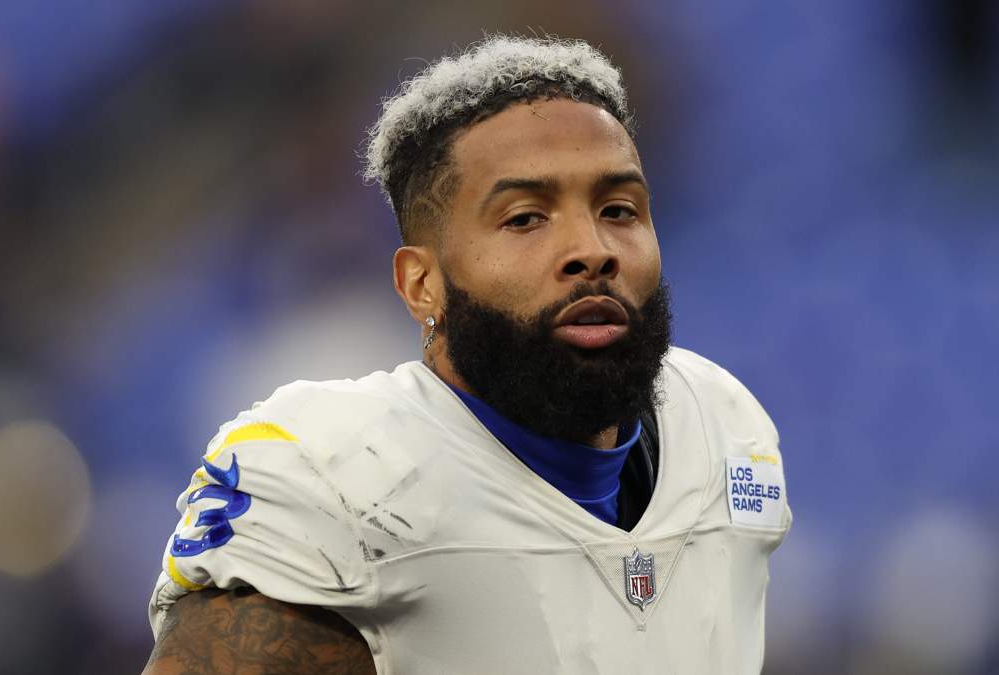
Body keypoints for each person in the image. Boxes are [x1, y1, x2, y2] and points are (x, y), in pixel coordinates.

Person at [142, 34, 791, 675]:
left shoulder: (727, 433)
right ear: (421, 284)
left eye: (619, 209)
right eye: (525, 218)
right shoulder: (340, 475)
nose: (592, 250)